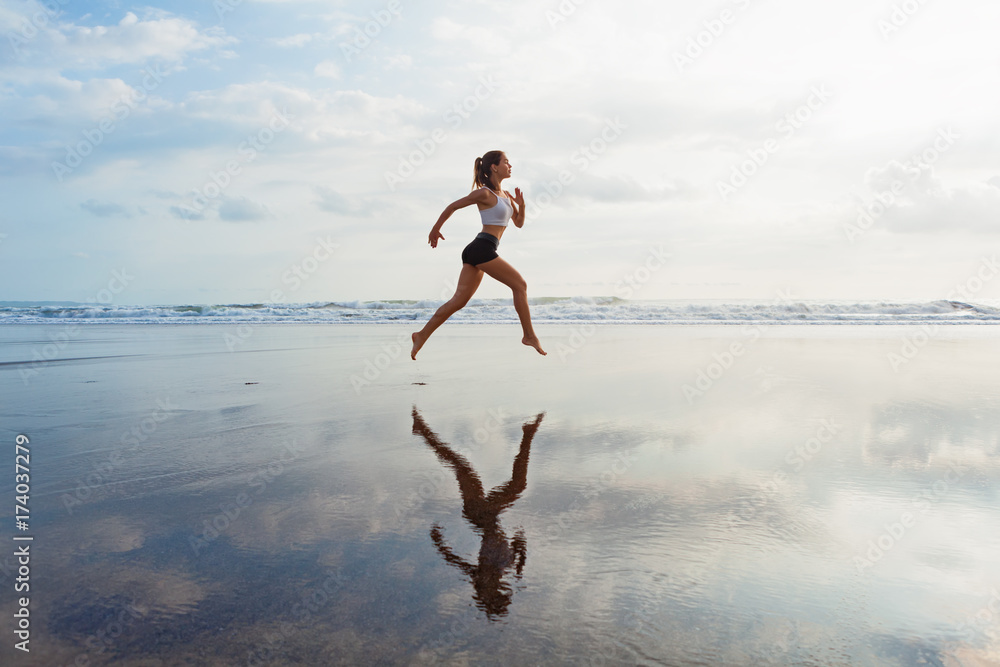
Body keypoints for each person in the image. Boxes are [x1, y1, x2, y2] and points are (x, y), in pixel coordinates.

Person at [410, 150, 546, 359]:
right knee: (520, 285)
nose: (510, 166)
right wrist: (435, 228)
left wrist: (522, 206)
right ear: (494, 167)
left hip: (480, 249)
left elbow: (518, 223)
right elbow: (453, 206)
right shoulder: (485, 194)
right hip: (482, 247)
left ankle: (421, 336)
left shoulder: (506, 197)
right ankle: (529, 336)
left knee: (458, 301)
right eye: (506, 162)